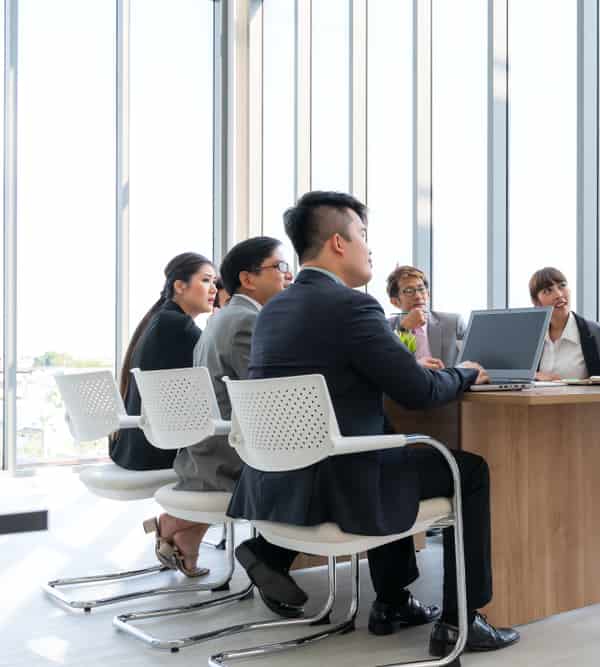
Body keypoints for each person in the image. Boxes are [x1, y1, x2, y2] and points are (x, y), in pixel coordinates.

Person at [226, 191, 520, 657]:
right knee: (470, 470)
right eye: (363, 235)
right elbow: (420, 395)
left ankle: (393, 602)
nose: (369, 247)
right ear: (339, 244)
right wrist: (465, 372)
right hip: (341, 485)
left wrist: (411, 368)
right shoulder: (352, 307)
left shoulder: (274, 310)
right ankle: (463, 619)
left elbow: (346, 375)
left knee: (386, 441)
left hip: (282, 482)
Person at [110, 251, 218, 578]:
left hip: (134, 445)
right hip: (154, 448)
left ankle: (183, 535)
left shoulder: (162, 319)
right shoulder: (179, 326)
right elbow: (217, 376)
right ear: (179, 286)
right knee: (234, 460)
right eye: (206, 280)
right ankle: (175, 524)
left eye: (215, 282)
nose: (213, 289)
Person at [174, 237, 292, 494]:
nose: (289, 275)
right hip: (230, 459)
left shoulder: (223, 318)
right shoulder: (248, 321)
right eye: (281, 266)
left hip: (205, 453)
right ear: (248, 280)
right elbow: (271, 401)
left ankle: (176, 529)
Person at [528, 267, 600, 380]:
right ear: (536, 302)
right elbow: (514, 378)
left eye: (562, 285)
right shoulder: (530, 337)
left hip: (586, 398)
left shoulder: (596, 333)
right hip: (539, 397)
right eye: (548, 291)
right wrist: (535, 376)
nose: (558, 295)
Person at [386, 265, 467, 369]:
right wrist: (403, 329)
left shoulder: (453, 323)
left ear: (428, 294)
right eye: (409, 291)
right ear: (395, 302)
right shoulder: (386, 328)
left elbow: (473, 359)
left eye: (421, 289)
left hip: (446, 384)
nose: (418, 296)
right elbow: (387, 364)